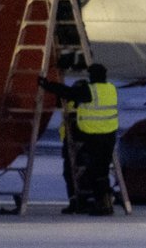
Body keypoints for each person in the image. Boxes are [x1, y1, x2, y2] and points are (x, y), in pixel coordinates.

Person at [39, 63, 119, 216]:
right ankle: (104, 203)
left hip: (93, 136)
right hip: (109, 136)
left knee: (93, 172)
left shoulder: (90, 90)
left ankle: (101, 205)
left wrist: (47, 85)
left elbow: (68, 92)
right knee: (101, 172)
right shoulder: (111, 89)